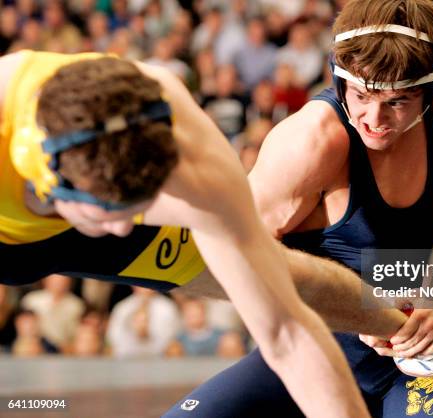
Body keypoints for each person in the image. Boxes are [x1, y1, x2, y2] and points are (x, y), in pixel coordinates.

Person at [163, 1, 433, 417]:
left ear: (430, 92)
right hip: (309, 354)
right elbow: (232, 254)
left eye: (397, 102)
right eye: (361, 95)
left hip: (403, 363)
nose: (373, 119)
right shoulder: (310, 141)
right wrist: (351, 309)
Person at [0, 49, 370, 418]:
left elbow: (285, 331)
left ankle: (395, 321)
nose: (121, 228)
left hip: (93, 198)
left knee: (285, 277)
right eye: (110, 213)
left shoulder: (192, 150)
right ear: (46, 177)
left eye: (134, 209)